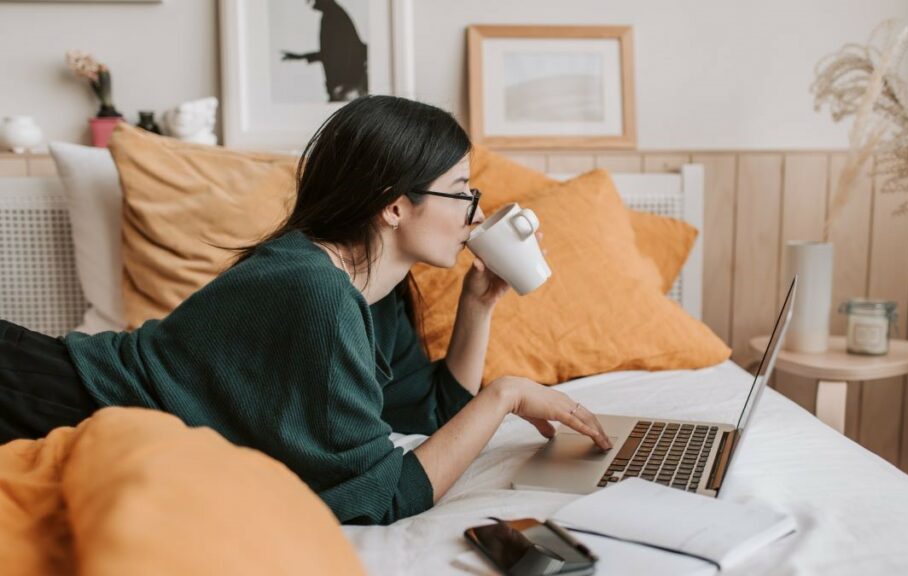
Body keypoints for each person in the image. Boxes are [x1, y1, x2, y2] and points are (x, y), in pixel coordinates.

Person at [0, 95, 611, 525]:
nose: (476, 213)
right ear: (394, 207)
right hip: (50, 400)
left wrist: (478, 307)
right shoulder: (314, 293)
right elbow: (387, 497)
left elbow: (429, 416)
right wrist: (503, 395)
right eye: (461, 191)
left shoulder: (374, 288)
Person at [281, 0, 368, 102]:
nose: (309, 4)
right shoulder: (333, 14)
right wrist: (300, 57)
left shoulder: (333, 15)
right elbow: (330, 53)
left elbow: (342, 52)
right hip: (344, 85)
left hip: (345, 85)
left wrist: (343, 85)